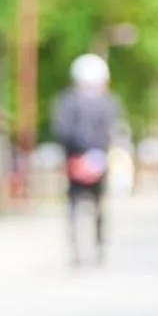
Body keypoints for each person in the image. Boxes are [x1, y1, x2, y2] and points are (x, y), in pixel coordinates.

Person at [52, 53, 123, 266]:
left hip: (75, 158)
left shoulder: (67, 101)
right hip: (97, 159)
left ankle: (77, 248)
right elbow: (113, 132)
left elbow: (61, 130)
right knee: (99, 204)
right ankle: (97, 245)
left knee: (75, 205)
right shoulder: (108, 102)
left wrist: (79, 150)